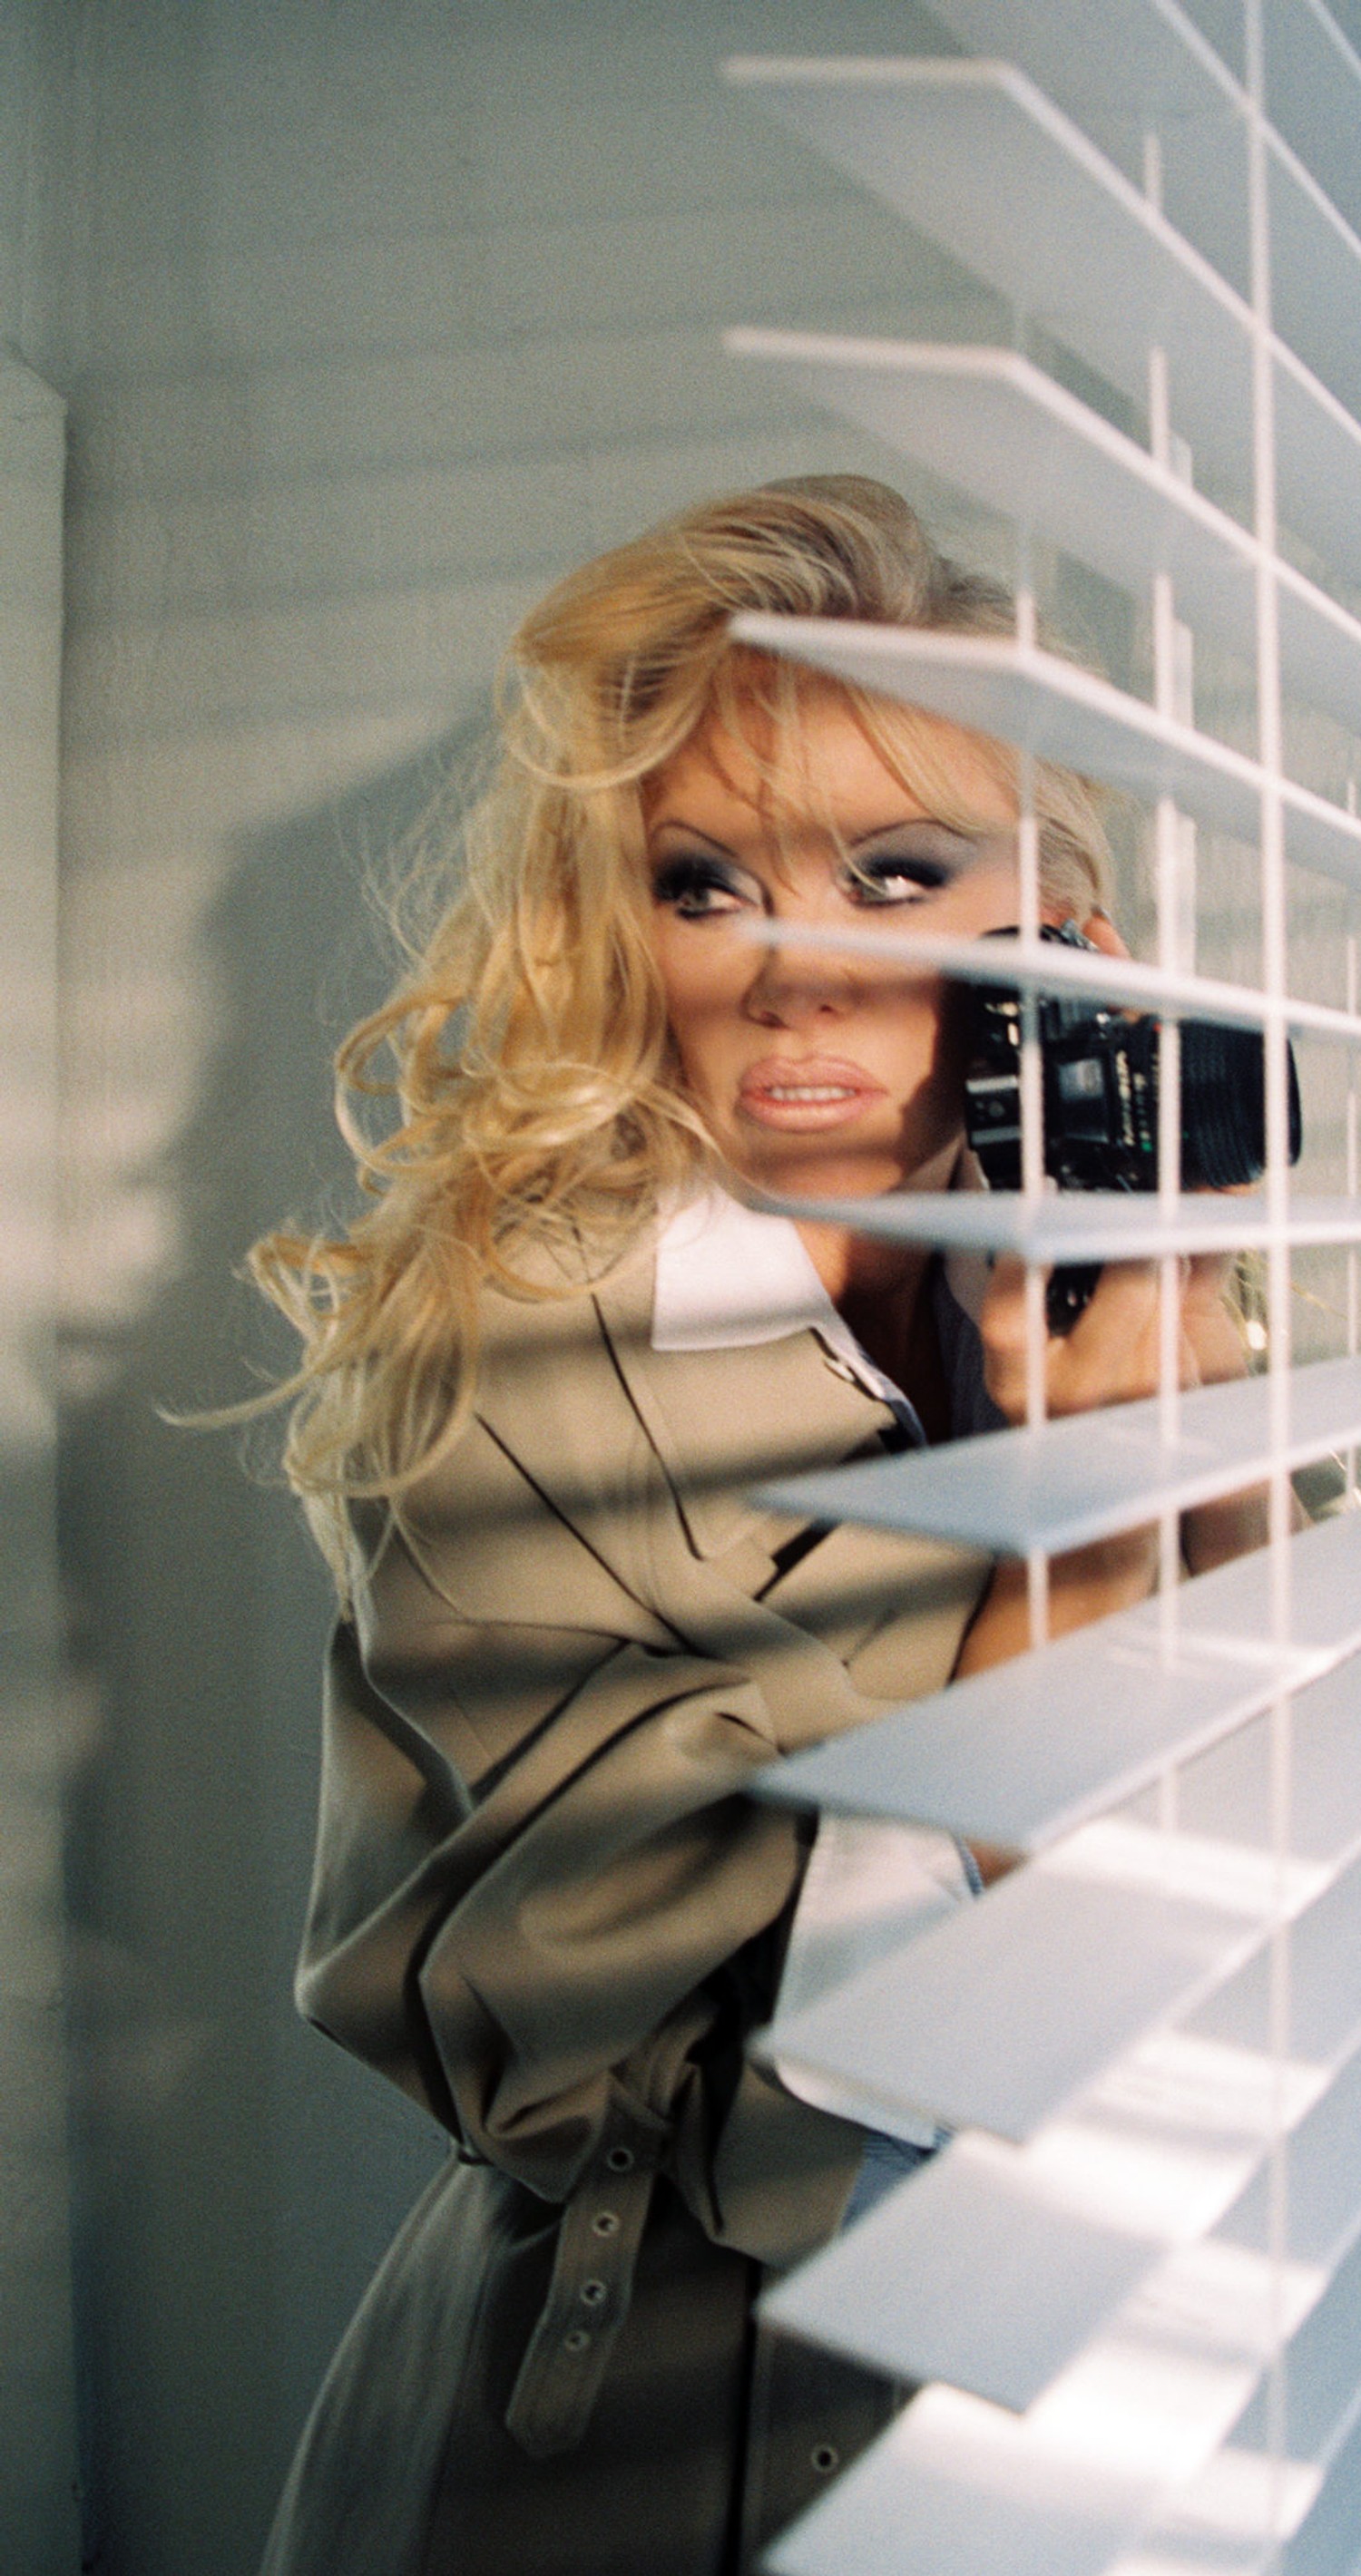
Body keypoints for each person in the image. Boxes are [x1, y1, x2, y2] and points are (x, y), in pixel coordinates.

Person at [249, 476, 1264, 2576]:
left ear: (1050, 925)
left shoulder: (1096, 1280)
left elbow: (1273, 1829)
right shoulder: (505, 1359)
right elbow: (733, 2070)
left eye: (892, 873)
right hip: (658, 2441)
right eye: (701, 883)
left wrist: (1182, 1380)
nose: (794, 971)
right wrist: (1085, 1533)